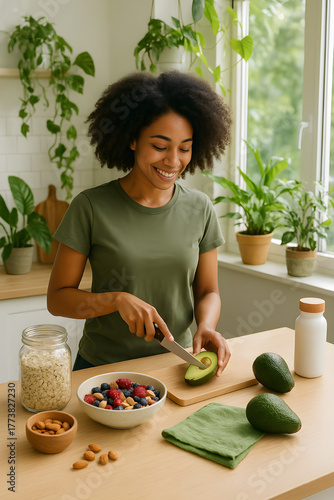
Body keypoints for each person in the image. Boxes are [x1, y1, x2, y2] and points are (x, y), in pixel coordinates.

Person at [47, 70, 232, 375]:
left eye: (184, 148)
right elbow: (58, 299)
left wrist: (208, 326)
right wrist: (116, 300)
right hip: (102, 370)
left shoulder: (200, 208)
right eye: (160, 146)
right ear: (132, 139)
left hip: (176, 364)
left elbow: (208, 292)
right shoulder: (91, 207)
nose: (173, 161)